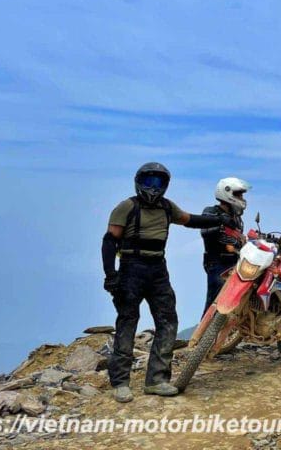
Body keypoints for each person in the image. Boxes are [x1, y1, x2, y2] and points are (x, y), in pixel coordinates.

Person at [101, 162, 235, 403]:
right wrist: (111, 275)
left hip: (158, 270)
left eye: (159, 182)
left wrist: (218, 220)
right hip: (131, 269)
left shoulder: (166, 207)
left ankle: (157, 380)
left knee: (168, 320)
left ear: (165, 185)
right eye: (149, 181)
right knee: (127, 322)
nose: (154, 187)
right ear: (139, 181)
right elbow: (110, 241)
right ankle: (120, 382)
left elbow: (190, 220)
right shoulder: (126, 207)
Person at [199, 177, 250, 316]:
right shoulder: (211, 211)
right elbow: (205, 231)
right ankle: (202, 336)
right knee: (214, 301)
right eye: (238, 194)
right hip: (217, 263)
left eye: (241, 195)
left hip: (235, 263)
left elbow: (240, 238)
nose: (241, 198)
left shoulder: (236, 217)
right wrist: (221, 226)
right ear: (227, 193)